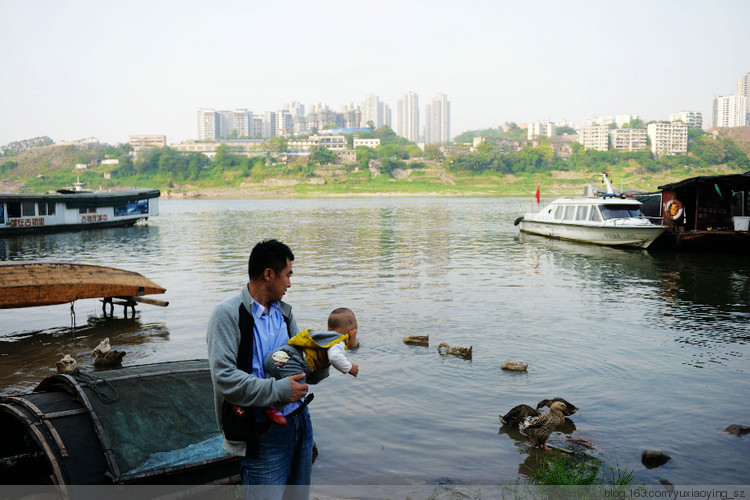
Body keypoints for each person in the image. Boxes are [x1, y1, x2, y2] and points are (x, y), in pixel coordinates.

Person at [207, 239, 327, 498]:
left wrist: (320, 366)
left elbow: (300, 369)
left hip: (300, 424)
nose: (290, 284)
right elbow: (224, 379)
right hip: (261, 434)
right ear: (269, 274)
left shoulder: (285, 314)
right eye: (288, 275)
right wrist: (281, 390)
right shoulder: (228, 315)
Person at [262, 308, 359, 424]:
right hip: (289, 360)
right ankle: (273, 407)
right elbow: (335, 357)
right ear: (351, 332)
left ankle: (252, 403)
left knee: (271, 380)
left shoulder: (322, 336)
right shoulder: (338, 341)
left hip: (275, 356)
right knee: (298, 387)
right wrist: (350, 368)